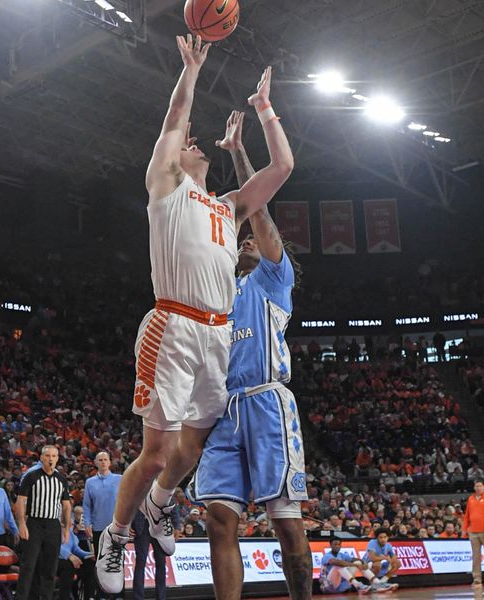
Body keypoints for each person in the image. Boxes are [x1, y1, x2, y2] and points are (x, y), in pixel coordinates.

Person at [95, 31, 295, 595]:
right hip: (174, 325)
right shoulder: (167, 188)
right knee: (156, 452)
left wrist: (264, 108)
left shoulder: (227, 207)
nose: (193, 140)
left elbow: (283, 166)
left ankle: (159, 506)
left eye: (192, 140)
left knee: (195, 443)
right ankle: (114, 534)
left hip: (217, 337)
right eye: (186, 141)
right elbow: (174, 120)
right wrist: (191, 70)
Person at [192, 108, 309, 600]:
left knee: (286, 529)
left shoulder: (272, 281)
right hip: (224, 409)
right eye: (242, 242)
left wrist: (239, 153)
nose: (247, 242)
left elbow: (256, 209)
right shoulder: (222, 288)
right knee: (219, 520)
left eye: (253, 243)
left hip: (267, 403)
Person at [15, 445, 72, 600]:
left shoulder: (61, 480)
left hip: (53, 525)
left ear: (57, 459)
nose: (51, 459)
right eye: (47, 456)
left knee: (50, 567)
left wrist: (66, 528)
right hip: (34, 523)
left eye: (54, 456)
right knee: (28, 565)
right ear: (41, 458)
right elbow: (21, 501)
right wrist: (21, 524)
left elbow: (66, 506)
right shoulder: (31, 476)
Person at [83, 452, 121, 599]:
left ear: (110, 462)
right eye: (100, 460)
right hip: (99, 527)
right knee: (101, 563)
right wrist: (87, 523)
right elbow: (86, 505)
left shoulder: (120, 479)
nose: (103, 462)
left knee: (117, 561)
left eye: (106, 459)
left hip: (117, 527)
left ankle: (118, 593)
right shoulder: (90, 482)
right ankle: (102, 594)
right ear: (95, 463)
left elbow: (126, 501)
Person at [461, 479, 484, 587]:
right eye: (476, 486)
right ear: (474, 487)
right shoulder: (471, 499)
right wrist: (464, 528)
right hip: (473, 532)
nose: (478, 488)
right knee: (476, 557)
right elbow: (467, 515)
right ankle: (477, 579)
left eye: (480, 486)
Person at [319, 537, 384, 594]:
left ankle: (378, 583)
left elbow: (354, 559)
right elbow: (339, 563)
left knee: (358, 562)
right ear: (330, 546)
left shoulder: (341, 555)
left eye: (339, 544)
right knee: (339, 565)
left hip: (340, 585)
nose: (337, 546)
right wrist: (355, 565)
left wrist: (363, 562)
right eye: (335, 544)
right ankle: (358, 585)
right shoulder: (327, 556)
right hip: (328, 586)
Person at [132, 510, 166, 600]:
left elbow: (171, 502)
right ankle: (138, 597)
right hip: (142, 527)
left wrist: (177, 525)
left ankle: (161, 596)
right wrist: (127, 523)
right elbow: (130, 504)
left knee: (161, 564)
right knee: (140, 563)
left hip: (160, 527)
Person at [57, 522, 94, 600]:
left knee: (90, 564)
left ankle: (89, 596)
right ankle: (65, 597)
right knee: (69, 565)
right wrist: (69, 555)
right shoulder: (55, 530)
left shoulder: (71, 534)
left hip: (68, 561)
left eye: (72, 523)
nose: (71, 523)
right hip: (55, 560)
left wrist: (90, 555)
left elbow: (77, 550)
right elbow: (55, 547)